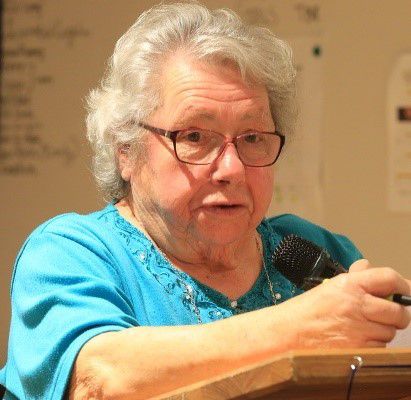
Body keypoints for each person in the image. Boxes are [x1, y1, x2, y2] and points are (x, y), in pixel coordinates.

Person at [1, 2, 410, 399]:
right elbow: (101, 379)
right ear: (126, 151)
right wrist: (303, 327)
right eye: (194, 136)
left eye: (252, 137)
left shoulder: (311, 250)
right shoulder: (69, 253)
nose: (232, 168)